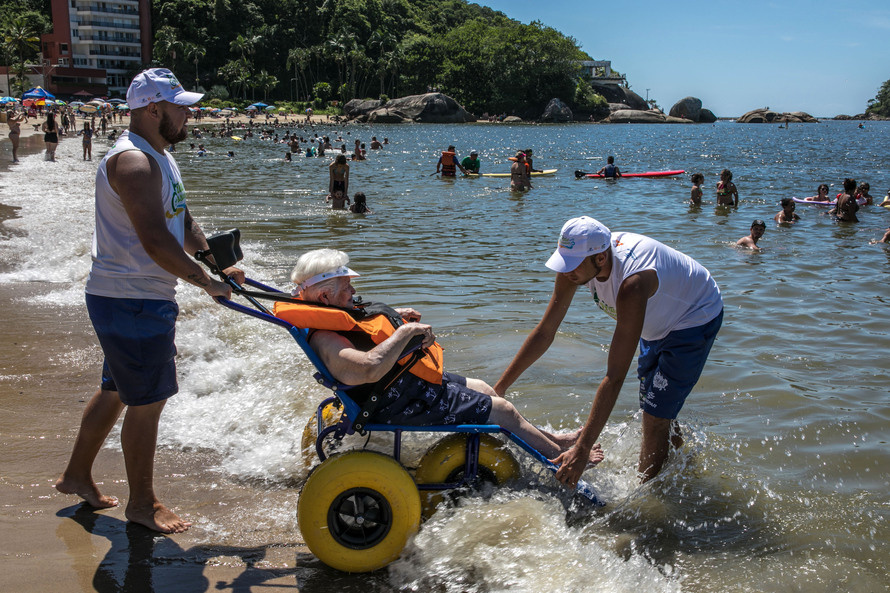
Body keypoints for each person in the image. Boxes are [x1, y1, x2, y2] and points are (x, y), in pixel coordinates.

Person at [54, 68, 243, 534]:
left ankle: (76, 476)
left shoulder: (158, 155)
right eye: (181, 106)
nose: (189, 113)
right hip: (132, 300)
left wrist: (215, 259)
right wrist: (207, 284)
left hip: (130, 297)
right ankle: (142, 504)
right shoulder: (134, 163)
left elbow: (180, 215)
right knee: (148, 401)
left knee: (118, 390)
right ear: (153, 109)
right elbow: (157, 243)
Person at [274, 250, 604, 466]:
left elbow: (361, 327)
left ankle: (553, 440)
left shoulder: (329, 308)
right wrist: (404, 334)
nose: (353, 291)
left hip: (403, 384)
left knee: (486, 388)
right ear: (324, 295)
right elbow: (367, 369)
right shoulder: (327, 338)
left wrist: (394, 318)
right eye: (346, 286)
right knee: (502, 409)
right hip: (391, 400)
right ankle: (559, 460)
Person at [494, 216, 723, 486]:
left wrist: (582, 449)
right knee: (654, 405)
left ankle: (646, 498)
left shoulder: (632, 284)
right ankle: (683, 470)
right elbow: (545, 332)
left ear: (601, 259)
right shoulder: (577, 265)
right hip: (655, 322)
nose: (567, 271)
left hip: (694, 317)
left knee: (653, 415)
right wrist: (499, 390)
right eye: (563, 262)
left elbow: (614, 377)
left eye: (573, 265)